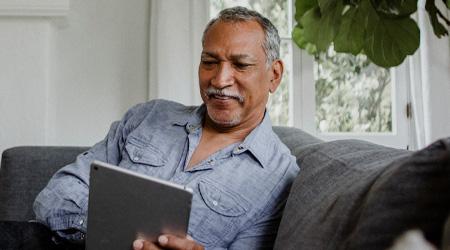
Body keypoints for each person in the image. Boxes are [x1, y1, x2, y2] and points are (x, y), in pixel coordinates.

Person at [33, 6, 299, 250]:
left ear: (274, 75)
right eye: (209, 61)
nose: (220, 79)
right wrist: (117, 237)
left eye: (241, 65)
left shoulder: (280, 176)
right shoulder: (149, 116)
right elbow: (57, 193)